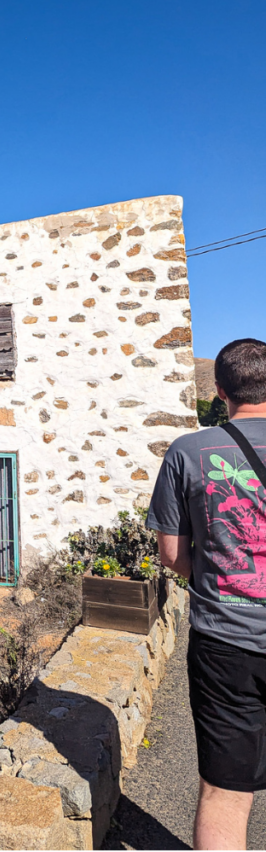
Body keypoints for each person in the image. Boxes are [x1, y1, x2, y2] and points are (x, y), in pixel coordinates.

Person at [147, 338, 266, 851]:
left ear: (219, 392)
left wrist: (223, 577)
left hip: (227, 644)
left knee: (224, 792)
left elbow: (172, 554)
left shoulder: (189, 452)